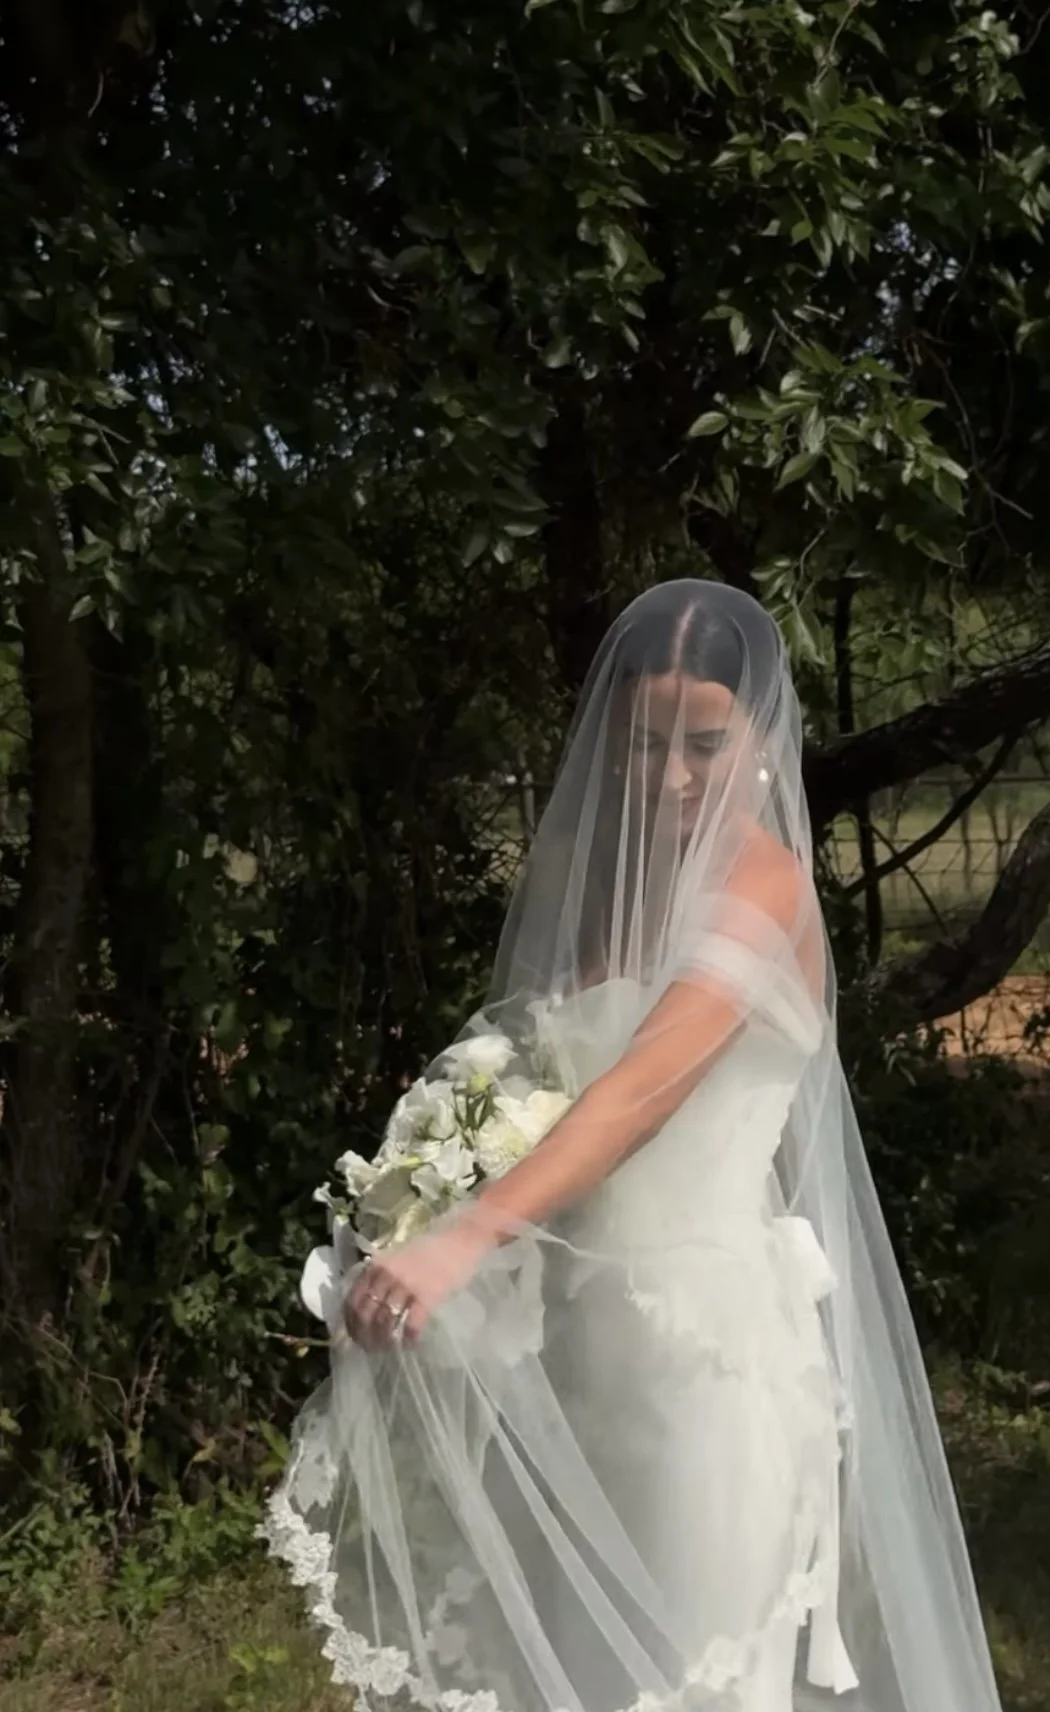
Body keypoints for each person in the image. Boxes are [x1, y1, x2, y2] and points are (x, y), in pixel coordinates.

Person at [262, 580, 1005, 1712]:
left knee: (694, 1676)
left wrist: (461, 1235)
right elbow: (541, 1081)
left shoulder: (762, 890)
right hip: (581, 1351)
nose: (669, 777)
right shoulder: (607, 887)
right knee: (584, 1667)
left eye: (703, 744)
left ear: (764, 737)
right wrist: (436, 1177)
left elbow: (632, 1095)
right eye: (643, 743)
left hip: (708, 1369)